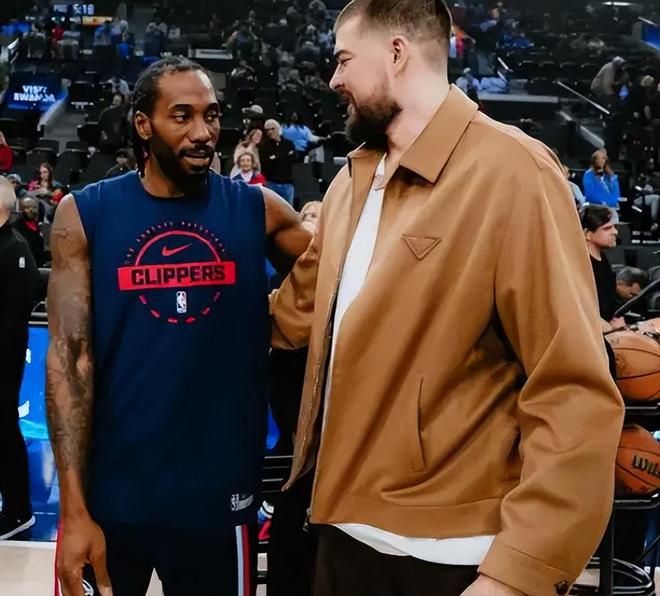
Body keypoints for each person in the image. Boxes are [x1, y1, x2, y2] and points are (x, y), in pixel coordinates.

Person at [270, 1, 624, 595]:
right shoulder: (349, 182)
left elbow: (571, 387)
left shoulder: (512, 170)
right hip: (336, 530)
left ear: (396, 53)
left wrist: (518, 572)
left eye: (344, 60)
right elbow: (291, 317)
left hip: (450, 555)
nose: (333, 80)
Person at [47, 56, 313, 596]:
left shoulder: (258, 210)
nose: (203, 133)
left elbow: (337, 290)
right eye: (182, 116)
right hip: (110, 497)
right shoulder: (85, 214)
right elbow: (70, 361)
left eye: (211, 115)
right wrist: (72, 511)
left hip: (219, 498)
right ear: (144, 125)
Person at [0, 177, 39, 540]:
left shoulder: (15, 249)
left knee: (4, 430)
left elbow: (13, 317)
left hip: (4, 358)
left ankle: (18, 512)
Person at [581, 204, 622, 326]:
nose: (615, 232)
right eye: (607, 228)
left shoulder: (603, 259)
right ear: (587, 233)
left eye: (615, 227)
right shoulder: (582, 265)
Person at [259, 119, 296, 205]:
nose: (270, 132)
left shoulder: (288, 144)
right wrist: (284, 156)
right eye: (267, 130)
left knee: (288, 209)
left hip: (287, 183)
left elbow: (293, 158)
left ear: (278, 128)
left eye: (272, 129)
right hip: (271, 183)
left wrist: (275, 157)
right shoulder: (264, 146)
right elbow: (265, 163)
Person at [583, 149, 620, 213]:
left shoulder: (610, 174)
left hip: (610, 206)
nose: (600, 161)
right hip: (594, 207)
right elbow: (590, 193)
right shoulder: (588, 174)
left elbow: (615, 192)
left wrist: (609, 203)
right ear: (594, 160)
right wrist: (602, 202)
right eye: (598, 158)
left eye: (603, 158)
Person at [13, 197, 45, 267]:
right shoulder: (15, 229)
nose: (31, 210)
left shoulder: (38, 227)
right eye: (27, 208)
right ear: (21, 210)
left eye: (34, 207)